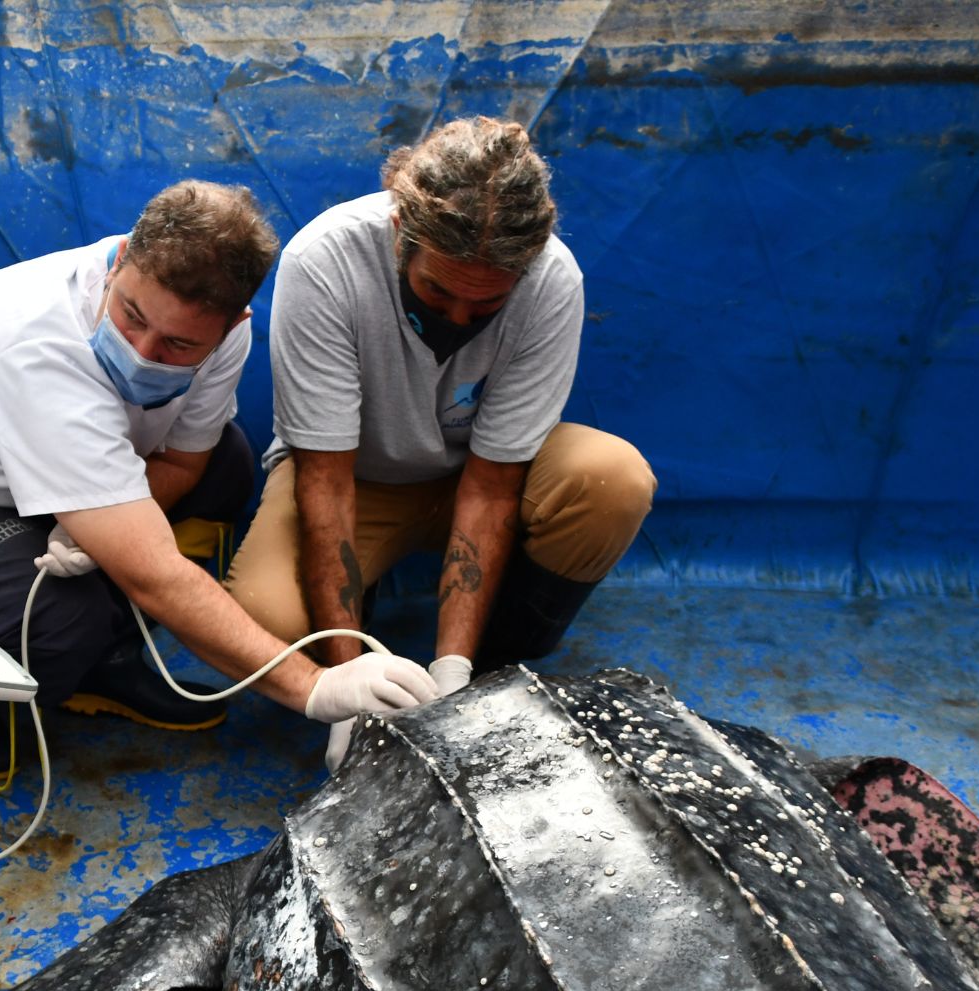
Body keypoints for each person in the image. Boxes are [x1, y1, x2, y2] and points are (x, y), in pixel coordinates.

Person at [0, 180, 440, 786]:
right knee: (54, 623)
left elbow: (184, 466)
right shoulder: (38, 347)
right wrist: (314, 686)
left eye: (177, 344)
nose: (143, 351)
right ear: (120, 261)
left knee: (228, 464)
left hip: (26, 471)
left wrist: (106, 531)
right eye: (131, 315)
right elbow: (153, 575)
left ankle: (107, 660)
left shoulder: (225, 335)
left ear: (230, 326)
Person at [224, 117, 656, 700]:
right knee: (265, 623)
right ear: (402, 230)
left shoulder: (552, 279)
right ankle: (356, 629)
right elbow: (325, 483)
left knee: (613, 480)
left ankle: (498, 667)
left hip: (481, 477)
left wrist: (454, 673)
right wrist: (345, 678)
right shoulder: (325, 260)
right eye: (438, 291)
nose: (457, 320)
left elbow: (492, 487)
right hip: (354, 477)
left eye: (485, 304)